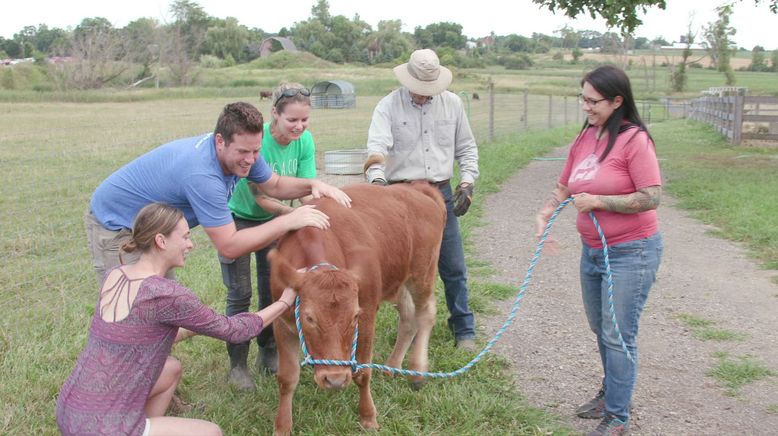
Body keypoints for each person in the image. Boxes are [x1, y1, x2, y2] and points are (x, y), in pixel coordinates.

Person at [57, 203, 297, 436]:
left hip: (71, 410)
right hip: (103, 428)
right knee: (212, 432)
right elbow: (236, 331)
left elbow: (137, 335)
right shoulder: (166, 293)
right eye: (184, 237)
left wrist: (200, 325)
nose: (190, 244)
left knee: (171, 368)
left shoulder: (115, 275)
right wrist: (284, 301)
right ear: (161, 241)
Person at [85, 101, 351, 284]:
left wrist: (314, 185)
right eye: (244, 152)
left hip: (155, 226)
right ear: (220, 141)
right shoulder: (203, 176)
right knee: (129, 306)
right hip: (118, 223)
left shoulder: (244, 150)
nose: (251, 159)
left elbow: (274, 185)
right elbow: (230, 245)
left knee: (157, 299)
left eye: (256, 151)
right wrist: (289, 220)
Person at [534, 65, 663, 436]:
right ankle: (611, 395)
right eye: (583, 99)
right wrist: (544, 213)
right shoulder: (586, 137)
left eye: (593, 101)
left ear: (617, 100)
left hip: (631, 252)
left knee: (617, 333)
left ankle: (618, 417)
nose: (586, 107)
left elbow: (652, 197)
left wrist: (601, 201)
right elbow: (564, 187)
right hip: (592, 251)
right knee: (600, 328)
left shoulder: (634, 140)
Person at [364, 48, 479, 350]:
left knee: (452, 264)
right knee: (399, 266)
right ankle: (409, 324)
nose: (422, 95)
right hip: (399, 195)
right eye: (417, 89)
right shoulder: (387, 106)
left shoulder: (452, 104)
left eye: (429, 90)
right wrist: (377, 181)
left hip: (439, 193)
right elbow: (377, 148)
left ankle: (463, 328)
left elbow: (466, 147)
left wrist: (467, 183)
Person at [219, 83, 316, 390]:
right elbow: (262, 197)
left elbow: (306, 190)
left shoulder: (305, 141)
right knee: (240, 293)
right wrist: (294, 218)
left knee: (270, 290)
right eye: (292, 120)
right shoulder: (255, 140)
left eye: (304, 120)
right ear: (275, 114)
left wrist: (318, 212)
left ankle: (267, 353)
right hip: (239, 220)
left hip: (277, 223)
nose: (299, 126)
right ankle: (237, 365)